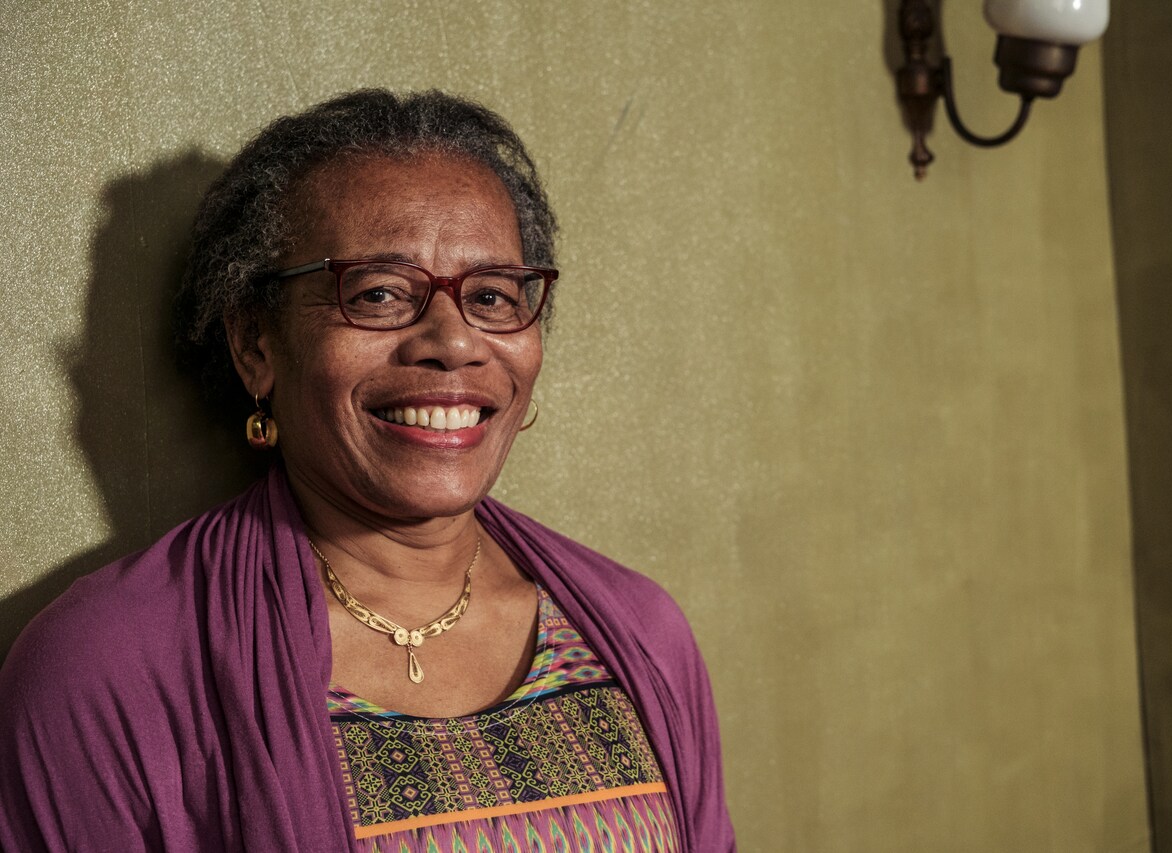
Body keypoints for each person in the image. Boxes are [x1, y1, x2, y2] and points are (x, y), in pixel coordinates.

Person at [0, 89, 734, 852]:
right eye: (379, 293)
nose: (453, 341)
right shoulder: (108, 668)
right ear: (255, 343)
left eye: (491, 295)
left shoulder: (639, 632)